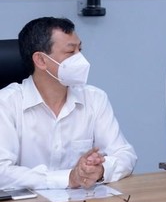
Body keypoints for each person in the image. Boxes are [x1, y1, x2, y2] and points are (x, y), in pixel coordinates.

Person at [0, 17, 137, 190]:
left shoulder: (94, 98)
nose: (81, 59)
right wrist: (68, 178)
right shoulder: (6, 104)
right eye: (71, 52)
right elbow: (2, 172)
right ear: (41, 60)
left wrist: (100, 170)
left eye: (80, 50)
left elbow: (125, 154)